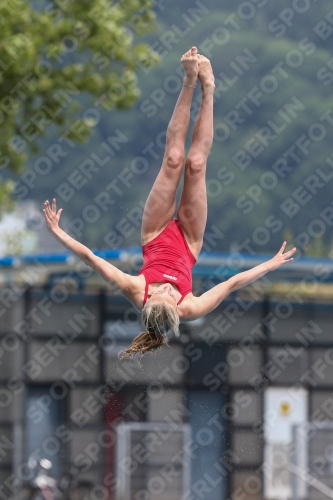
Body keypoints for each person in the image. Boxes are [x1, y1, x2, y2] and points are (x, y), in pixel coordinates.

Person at [43, 47, 296, 357]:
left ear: (147, 301)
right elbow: (231, 284)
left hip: (155, 232)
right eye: (167, 295)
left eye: (157, 294)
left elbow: (92, 259)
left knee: (175, 159)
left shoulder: (136, 290)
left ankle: (189, 79)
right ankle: (209, 88)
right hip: (189, 242)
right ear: (177, 309)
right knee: (196, 164)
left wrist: (58, 233)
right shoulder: (191, 307)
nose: (164, 290)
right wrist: (269, 265)